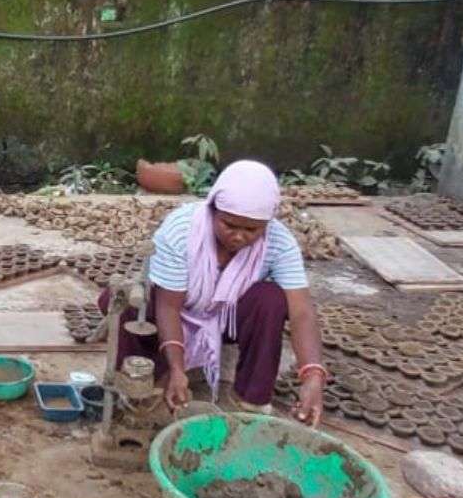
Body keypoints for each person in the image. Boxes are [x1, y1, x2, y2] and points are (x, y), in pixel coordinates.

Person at [104, 160, 327, 424]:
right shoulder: (181, 230)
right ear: (212, 209)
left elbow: (302, 312)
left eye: (252, 229)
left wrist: (313, 376)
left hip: (223, 317)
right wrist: (177, 368)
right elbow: (168, 307)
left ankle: (250, 401)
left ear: (267, 223)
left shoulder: (279, 242)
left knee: (271, 300)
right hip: (173, 309)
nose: (239, 237)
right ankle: (139, 387)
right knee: (124, 302)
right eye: (229, 225)